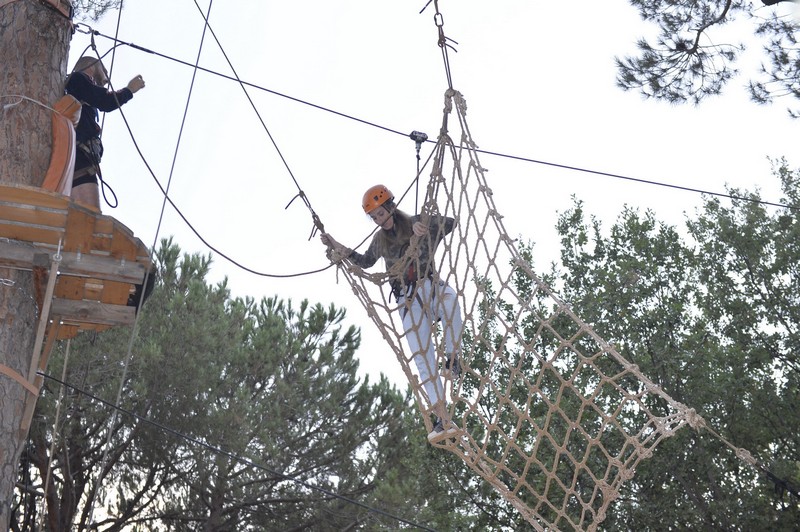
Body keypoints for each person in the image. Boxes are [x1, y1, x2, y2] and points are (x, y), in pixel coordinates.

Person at [321, 185, 463, 442]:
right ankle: (443, 418)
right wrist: (336, 244)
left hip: (429, 284)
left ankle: (453, 359)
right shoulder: (380, 240)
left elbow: (451, 223)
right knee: (422, 356)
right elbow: (364, 261)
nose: (379, 220)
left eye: (381, 214)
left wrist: (426, 228)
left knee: (451, 301)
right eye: (374, 217)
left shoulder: (418, 222)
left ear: (391, 207)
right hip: (407, 298)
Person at [65, 56, 145, 210]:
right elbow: (105, 100)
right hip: (80, 159)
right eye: (104, 71)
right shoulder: (79, 78)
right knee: (90, 219)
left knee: (84, 219)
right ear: (91, 66)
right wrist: (129, 90)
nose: (107, 79)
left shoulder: (79, 91)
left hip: (79, 158)